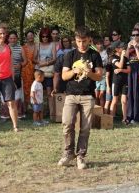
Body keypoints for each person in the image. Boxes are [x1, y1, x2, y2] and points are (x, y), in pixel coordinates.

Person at [57, 26, 103, 170]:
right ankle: (68, 153)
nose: (81, 44)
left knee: (85, 128)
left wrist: (89, 73)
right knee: (67, 123)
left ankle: (81, 156)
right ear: (75, 41)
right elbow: (64, 76)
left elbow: (99, 76)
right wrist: (74, 71)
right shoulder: (69, 55)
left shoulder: (95, 56)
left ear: (89, 40)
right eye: (78, 41)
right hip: (71, 94)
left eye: (84, 41)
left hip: (87, 96)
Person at [2, 31, 27, 119]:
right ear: (8, 39)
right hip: (5, 74)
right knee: (5, 94)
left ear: (17, 39)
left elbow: (25, 61)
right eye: (11, 38)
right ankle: (5, 115)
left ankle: (19, 114)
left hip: (17, 74)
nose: (12, 40)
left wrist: (20, 65)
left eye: (14, 38)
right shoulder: (4, 47)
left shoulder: (20, 48)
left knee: (17, 94)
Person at [35, 28, 56, 121]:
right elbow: (33, 59)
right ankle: (40, 115)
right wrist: (39, 62)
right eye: (43, 36)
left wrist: (46, 63)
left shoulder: (52, 45)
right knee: (39, 93)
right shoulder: (38, 45)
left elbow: (55, 59)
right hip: (39, 72)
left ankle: (52, 115)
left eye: (47, 36)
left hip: (48, 72)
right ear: (40, 37)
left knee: (49, 93)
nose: (45, 38)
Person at [126, 29, 139, 123]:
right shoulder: (130, 44)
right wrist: (128, 47)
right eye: (133, 35)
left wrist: (136, 47)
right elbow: (126, 57)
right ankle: (130, 115)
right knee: (130, 93)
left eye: (136, 35)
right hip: (130, 70)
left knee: (138, 92)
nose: (134, 37)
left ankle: (138, 116)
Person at [110, 41, 130, 123]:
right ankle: (110, 119)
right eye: (121, 47)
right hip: (116, 82)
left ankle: (124, 118)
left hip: (124, 82)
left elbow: (129, 70)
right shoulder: (112, 58)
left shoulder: (125, 58)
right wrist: (122, 56)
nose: (123, 48)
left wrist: (121, 70)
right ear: (116, 49)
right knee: (114, 100)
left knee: (124, 101)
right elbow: (120, 65)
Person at [21, 30, 37, 113]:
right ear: (26, 37)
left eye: (32, 35)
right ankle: (25, 108)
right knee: (26, 88)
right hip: (25, 70)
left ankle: (35, 108)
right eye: (29, 35)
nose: (30, 37)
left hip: (36, 69)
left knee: (34, 88)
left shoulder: (37, 46)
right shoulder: (23, 47)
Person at [93, 38, 108, 109]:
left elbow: (105, 63)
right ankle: (96, 112)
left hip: (103, 77)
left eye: (101, 44)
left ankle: (102, 113)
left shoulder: (105, 53)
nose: (100, 45)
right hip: (95, 77)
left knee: (101, 96)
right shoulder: (93, 53)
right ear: (95, 45)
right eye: (98, 44)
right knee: (96, 96)